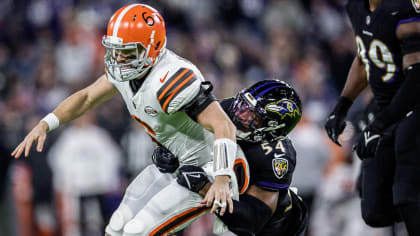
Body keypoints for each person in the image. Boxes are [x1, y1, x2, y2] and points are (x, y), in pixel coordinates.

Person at [11, 4, 243, 236]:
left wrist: (222, 178)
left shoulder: (170, 78)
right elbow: (87, 97)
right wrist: (46, 123)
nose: (119, 58)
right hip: (174, 165)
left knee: (136, 231)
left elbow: (224, 125)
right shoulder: (128, 70)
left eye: (129, 52)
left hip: (207, 170)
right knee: (116, 227)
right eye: (116, 50)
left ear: (153, 48)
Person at [154, 80, 308, 236]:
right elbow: (188, 137)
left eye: (253, 116)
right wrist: (169, 153)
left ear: (272, 128)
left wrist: (204, 187)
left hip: (272, 228)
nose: (240, 113)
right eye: (243, 104)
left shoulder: (275, 156)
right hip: (227, 202)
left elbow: (251, 220)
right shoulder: (231, 109)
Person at [324, 0, 420, 235]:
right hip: (385, 108)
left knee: (407, 196)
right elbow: (364, 59)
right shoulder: (356, 7)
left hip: (414, 105)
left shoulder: (406, 8)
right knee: (374, 209)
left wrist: (378, 125)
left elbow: (417, 77)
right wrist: (341, 106)